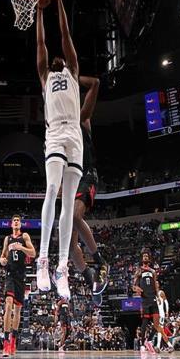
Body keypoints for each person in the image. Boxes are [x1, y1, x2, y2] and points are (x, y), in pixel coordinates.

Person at [36, 0, 83, 299]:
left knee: (68, 201)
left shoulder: (73, 71)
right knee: (51, 189)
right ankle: (42, 260)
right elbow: (41, 44)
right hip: (54, 132)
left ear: (65, 61)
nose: (57, 56)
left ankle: (62, 267)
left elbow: (65, 34)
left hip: (74, 133)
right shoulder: (45, 76)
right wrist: (40, 10)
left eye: (60, 56)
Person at [69, 75, 109, 306]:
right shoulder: (59, 130)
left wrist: (72, 77)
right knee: (69, 245)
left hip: (87, 175)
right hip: (71, 181)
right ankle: (90, 277)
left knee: (76, 216)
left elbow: (95, 83)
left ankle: (100, 262)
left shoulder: (81, 119)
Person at [0, 215, 36, 357]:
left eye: (18, 221)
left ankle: (13, 340)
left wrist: (21, 247)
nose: (15, 222)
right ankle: (6, 342)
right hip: (10, 274)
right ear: (11, 224)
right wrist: (2, 260)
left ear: (20, 224)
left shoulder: (24, 236)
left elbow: (33, 253)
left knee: (17, 310)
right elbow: (2, 256)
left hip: (21, 275)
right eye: (14, 220)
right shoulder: (7, 239)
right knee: (8, 305)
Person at [133, 249, 172, 353]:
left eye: (147, 256)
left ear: (149, 259)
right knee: (145, 323)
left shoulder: (153, 271)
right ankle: (142, 344)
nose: (145, 257)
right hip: (145, 299)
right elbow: (134, 286)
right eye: (144, 256)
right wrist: (136, 289)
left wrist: (158, 295)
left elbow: (155, 284)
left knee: (156, 324)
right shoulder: (139, 271)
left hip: (153, 298)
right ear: (142, 259)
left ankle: (149, 340)